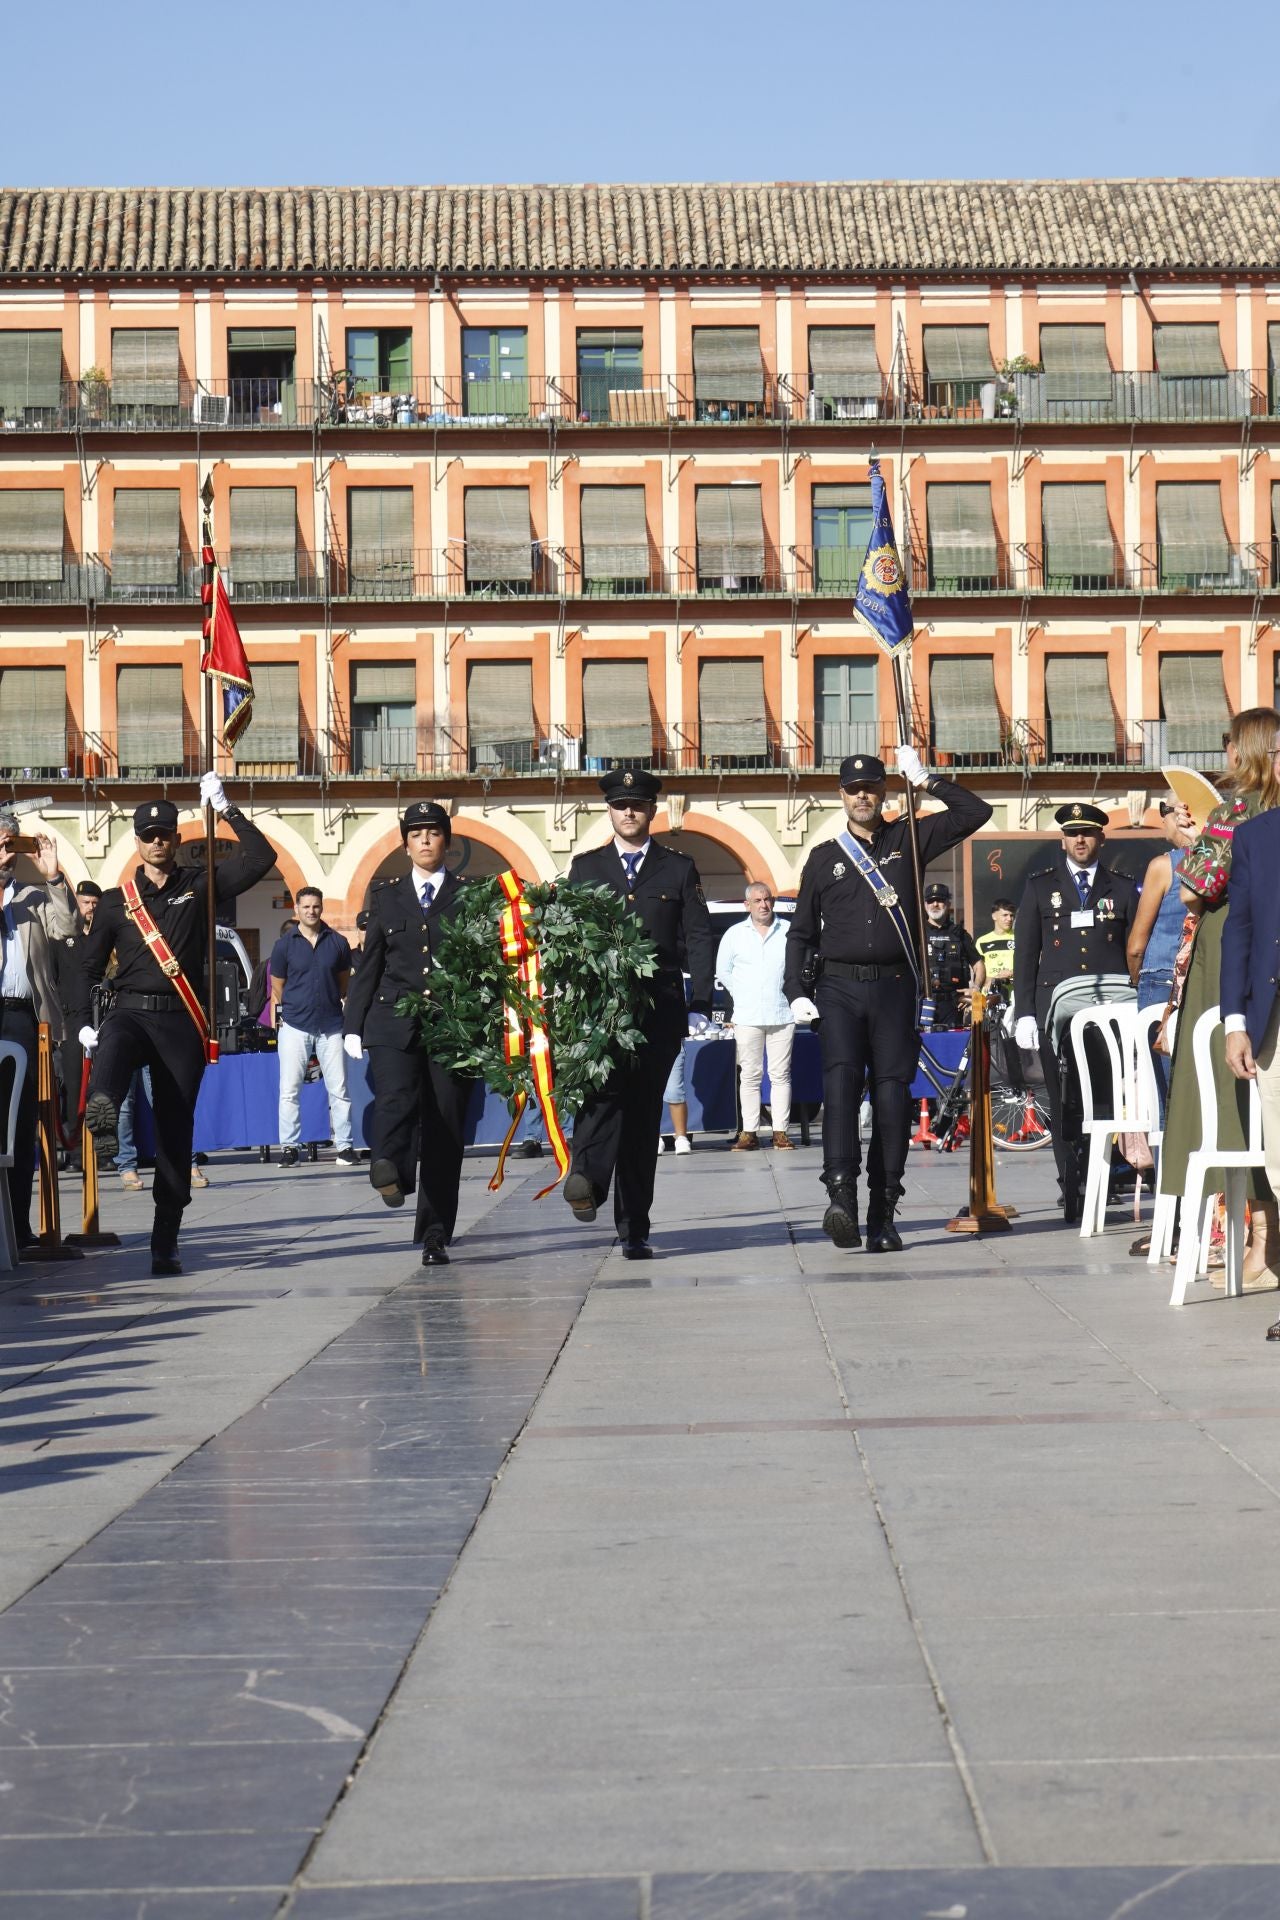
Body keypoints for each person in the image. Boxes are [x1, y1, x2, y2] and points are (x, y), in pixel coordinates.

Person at [784, 748, 992, 1253]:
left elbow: (975, 813)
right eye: (854, 789)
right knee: (839, 1088)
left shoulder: (909, 838)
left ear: (884, 792)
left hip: (896, 987)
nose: (863, 796)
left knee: (893, 1095)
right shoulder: (825, 857)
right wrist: (795, 991)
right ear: (841, 795)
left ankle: (883, 1211)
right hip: (838, 986)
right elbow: (803, 933)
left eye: (872, 788)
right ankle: (841, 1200)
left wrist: (926, 781)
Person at [81, 779, 277, 1276]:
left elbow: (260, 859)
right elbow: (85, 968)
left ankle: (164, 1238)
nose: (157, 842)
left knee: (175, 1130)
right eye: (148, 835)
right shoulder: (114, 901)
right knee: (114, 1040)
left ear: (174, 837)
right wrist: (83, 1022)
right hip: (130, 1008)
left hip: (181, 1020)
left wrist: (226, 807)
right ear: (137, 841)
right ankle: (101, 1109)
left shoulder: (201, 885)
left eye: (165, 833)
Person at [562, 768, 715, 1259]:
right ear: (608, 810)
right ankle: (586, 1176)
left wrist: (702, 1000)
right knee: (601, 1095)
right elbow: (568, 936)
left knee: (643, 1118)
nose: (629, 812)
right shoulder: (586, 869)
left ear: (652, 811)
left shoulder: (678, 867)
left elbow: (696, 935)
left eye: (638, 804)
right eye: (620, 804)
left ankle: (634, 1227)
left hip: (658, 1009)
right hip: (600, 1009)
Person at [1162, 707, 1280, 1289]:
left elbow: (1193, 890)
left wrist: (1182, 839)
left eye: (1230, 743)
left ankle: (1259, 1242)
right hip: (1266, 959)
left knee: (1233, 1108)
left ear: (1243, 749)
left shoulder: (1236, 810)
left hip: (1231, 957)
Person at [342, 801, 472, 1267]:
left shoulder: (469, 895)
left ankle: (435, 1232)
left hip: (452, 1025)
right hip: (392, 1018)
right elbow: (369, 963)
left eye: (432, 833)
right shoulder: (386, 895)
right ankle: (390, 1168)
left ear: (447, 842)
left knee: (444, 1126)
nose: (424, 840)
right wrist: (352, 1024)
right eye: (415, 833)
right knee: (395, 1097)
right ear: (404, 844)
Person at [1012, 801, 1140, 1208]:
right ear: (1063, 840)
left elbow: (1135, 948)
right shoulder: (1040, 886)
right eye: (1072, 833)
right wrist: (1026, 1010)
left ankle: (1101, 1176)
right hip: (1055, 1008)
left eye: (1086, 833)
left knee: (1102, 1091)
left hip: (1108, 1004)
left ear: (1101, 838)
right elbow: (1026, 953)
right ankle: (1070, 1180)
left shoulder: (1121, 886)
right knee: (1060, 1092)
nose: (1079, 840)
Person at [1221, 722, 1280, 1335]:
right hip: (1273, 1018)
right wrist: (1236, 1021)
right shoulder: (1255, 839)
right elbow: (1239, 931)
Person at [0, 817, 77, 1249]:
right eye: (0, 845)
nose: (7, 854)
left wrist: (53, 876)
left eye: (11, 844)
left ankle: (19, 1228)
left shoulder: (32, 898)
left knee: (21, 1121)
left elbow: (66, 929)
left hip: (24, 1018)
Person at [270, 887, 356, 1170]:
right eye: (305, 907)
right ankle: (290, 1149)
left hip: (331, 1025)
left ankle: (344, 1147)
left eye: (316, 906)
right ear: (297, 909)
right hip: (295, 1026)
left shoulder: (339, 942)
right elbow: (278, 985)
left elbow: (343, 982)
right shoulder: (284, 945)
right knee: (289, 1090)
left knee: (339, 1090)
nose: (311, 911)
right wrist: (296, 1008)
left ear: (322, 908)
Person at [716, 881, 795, 1150]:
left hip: (783, 1011)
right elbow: (723, 970)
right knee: (749, 1075)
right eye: (758, 901)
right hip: (747, 1015)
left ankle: (780, 1132)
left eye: (767, 899)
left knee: (780, 1074)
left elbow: (800, 964)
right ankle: (749, 1132)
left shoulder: (788, 930)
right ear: (747, 904)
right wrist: (744, 994)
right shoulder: (734, 934)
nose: (764, 905)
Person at [53, 879, 102, 1166]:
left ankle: (102, 1149)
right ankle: (76, 1151)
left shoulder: (101, 940)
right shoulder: (62, 941)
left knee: (101, 1085)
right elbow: (53, 980)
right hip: (72, 1022)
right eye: (86, 903)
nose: (90, 908)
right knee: (74, 1086)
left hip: (98, 1019)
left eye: (95, 904)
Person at [922, 881, 983, 1030]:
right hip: (923, 1002)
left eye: (940, 900)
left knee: (952, 1047)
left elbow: (978, 965)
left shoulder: (960, 934)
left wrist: (976, 988)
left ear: (948, 904)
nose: (935, 904)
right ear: (925, 904)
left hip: (953, 1004)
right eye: (931, 901)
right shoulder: (918, 932)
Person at [975, 898, 1016, 999]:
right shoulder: (982, 941)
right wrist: (991, 979)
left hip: (1013, 997)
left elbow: (1029, 966)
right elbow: (977, 971)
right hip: (988, 997)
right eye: (1005, 915)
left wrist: (1011, 973)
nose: (1009, 919)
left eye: (1011, 915)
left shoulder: (1020, 938)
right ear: (994, 916)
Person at [656, 1046, 693, 1155]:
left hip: (672, 1043)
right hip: (645, 1046)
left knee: (674, 1090)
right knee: (649, 1093)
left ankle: (681, 1137)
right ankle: (655, 1139)